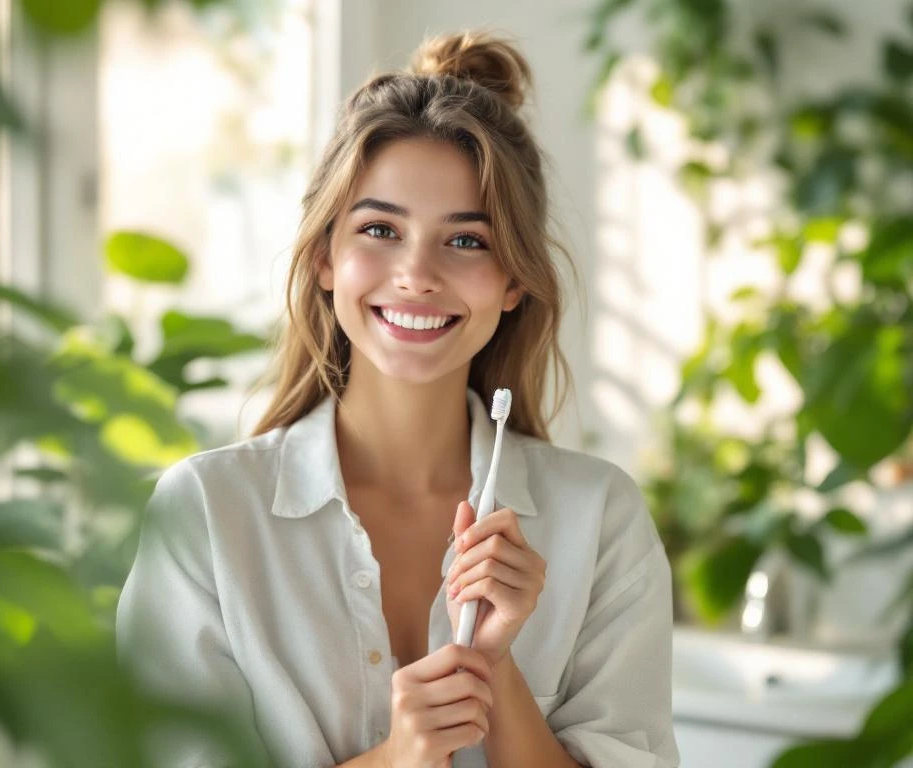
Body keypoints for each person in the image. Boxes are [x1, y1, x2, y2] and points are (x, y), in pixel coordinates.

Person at [116, 29, 680, 768]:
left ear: (514, 281)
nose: (416, 275)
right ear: (324, 257)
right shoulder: (207, 514)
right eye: (380, 229)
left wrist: (496, 669)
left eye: (467, 241)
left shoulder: (601, 519)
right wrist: (395, 759)